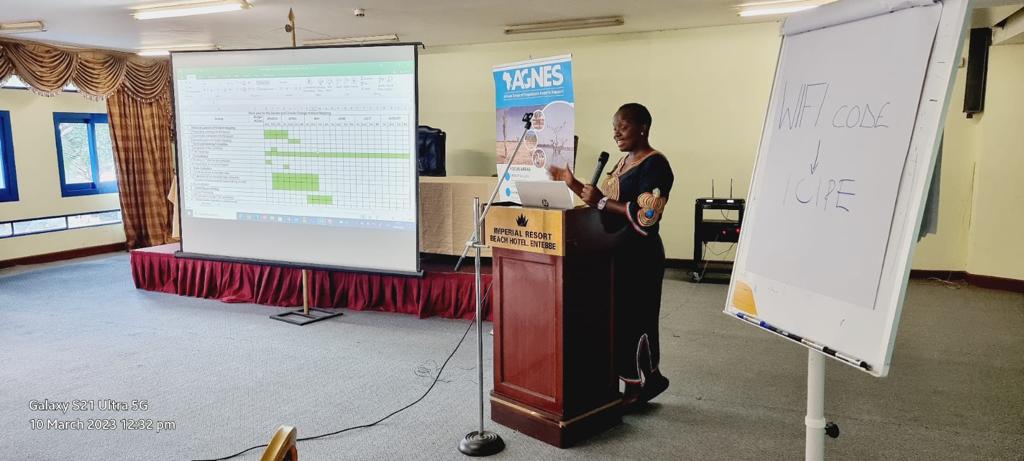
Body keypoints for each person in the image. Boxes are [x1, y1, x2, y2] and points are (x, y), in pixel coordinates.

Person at [549, 103, 674, 406]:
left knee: (636, 318)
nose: (616, 131)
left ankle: (639, 383)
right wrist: (573, 184)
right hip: (614, 252)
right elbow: (599, 201)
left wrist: (602, 203)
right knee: (619, 318)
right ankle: (643, 379)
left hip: (640, 255)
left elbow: (647, 215)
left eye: (623, 125)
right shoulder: (621, 163)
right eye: (614, 126)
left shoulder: (655, 165)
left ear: (643, 127)